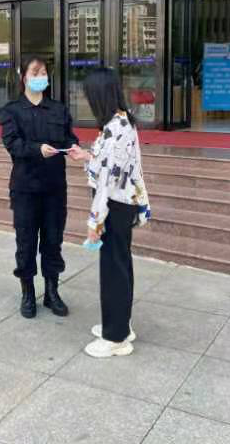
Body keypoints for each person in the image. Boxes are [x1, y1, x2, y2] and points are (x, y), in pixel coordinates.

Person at [68, 68, 151, 358]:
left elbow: (106, 182)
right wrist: (87, 156)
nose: (86, 101)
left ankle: (115, 337)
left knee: (113, 269)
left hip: (114, 205)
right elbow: (108, 165)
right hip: (120, 203)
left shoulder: (116, 129)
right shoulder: (120, 123)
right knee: (120, 264)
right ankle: (120, 325)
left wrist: (95, 222)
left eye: (88, 95)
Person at [1, 56, 79, 319]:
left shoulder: (58, 109)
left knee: (53, 241)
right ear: (24, 77)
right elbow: (12, 143)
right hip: (25, 188)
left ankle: (52, 292)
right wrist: (37, 149)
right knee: (25, 243)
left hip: (54, 188)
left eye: (44, 72)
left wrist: (74, 148)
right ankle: (27, 292)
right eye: (35, 72)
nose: (40, 77)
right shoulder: (12, 111)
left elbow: (69, 138)